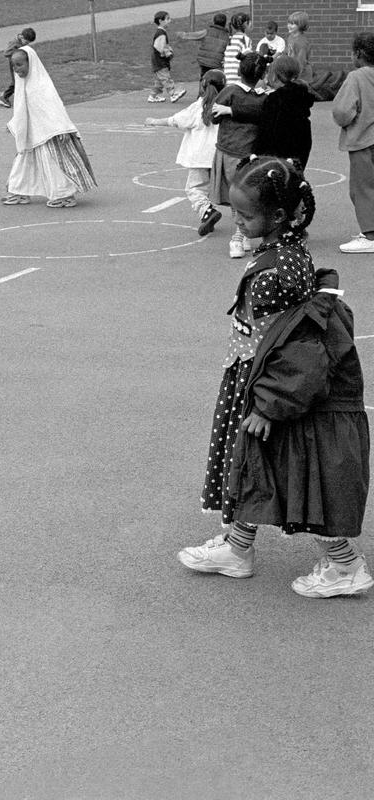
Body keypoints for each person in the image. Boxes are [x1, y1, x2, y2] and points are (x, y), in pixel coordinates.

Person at [179, 155, 372, 598]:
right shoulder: (285, 253)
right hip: (260, 379)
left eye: (246, 215)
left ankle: (345, 563)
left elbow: (299, 346)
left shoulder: (275, 272)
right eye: (234, 212)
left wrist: (268, 404)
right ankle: (237, 547)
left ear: (280, 216)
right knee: (253, 464)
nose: (238, 222)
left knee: (293, 473)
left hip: (276, 389)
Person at [1, 46, 97, 208]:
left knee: (53, 164)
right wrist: (15, 124)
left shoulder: (41, 84)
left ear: (30, 63)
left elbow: (54, 107)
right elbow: (22, 108)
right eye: (14, 66)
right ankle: (19, 191)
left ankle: (64, 195)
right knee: (24, 161)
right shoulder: (22, 83)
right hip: (31, 133)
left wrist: (61, 128)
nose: (17, 69)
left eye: (20, 65)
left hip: (49, 133)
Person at [145, 70, 226, 236]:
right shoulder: (226, 106)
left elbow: (177, 120)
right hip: (220, 156)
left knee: (194, 189)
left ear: (203, 85)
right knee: (221, 188)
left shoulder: (198, 106)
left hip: (200, 158)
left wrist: (155, 121)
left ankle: (207, 211)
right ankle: (218, 217)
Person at [210, 51, 268, 258]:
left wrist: (230, 111)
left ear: (238, 70)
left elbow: (213, 117)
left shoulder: (230, 92)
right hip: (248, 153)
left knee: (237, 198)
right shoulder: (263, 97)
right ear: (262, 73)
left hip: (230, 151)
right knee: (243, 196)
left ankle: (238, 235)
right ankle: (242, 235)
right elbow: (261, 115)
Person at [333, 32, 374, 254]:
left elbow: (342, 111)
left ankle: (370, 235)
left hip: (364, 141)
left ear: (358, 54)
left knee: (362, 189)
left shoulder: (356, 77)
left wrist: (347, 121)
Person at [254, 56, 314, 169]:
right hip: (299, 152)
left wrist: (256, 154)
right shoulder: (302, 95)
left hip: (277, 156)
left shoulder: (275, 99)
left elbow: (265, 132)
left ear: (276, 76)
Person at [148, 11, 187, 103]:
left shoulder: (161, 32)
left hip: (157, 61)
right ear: (161, 21)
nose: (170, 21)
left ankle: (152, 96)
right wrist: (167, 52)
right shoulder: (161, 33)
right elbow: (159, 46)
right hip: (160, 61)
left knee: (159, 81)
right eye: (168, 19)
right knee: (166, 78)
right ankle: (173, 94)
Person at [0, 27, 36, 108]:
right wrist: (17, 52)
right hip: (14, 64)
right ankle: (4, 97)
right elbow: (6, 53)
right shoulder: (14, 43)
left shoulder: (21, 43)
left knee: (21, 81)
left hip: (20, 63)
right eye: (26, 41)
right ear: (21, 37)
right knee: (16, 82)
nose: (26, 44)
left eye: (28, 43)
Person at [196, 13, 229, 81]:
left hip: (203, 61)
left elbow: (195, 35)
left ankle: (202, 89)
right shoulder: (226, 36)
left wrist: (183, 35)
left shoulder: (207, 31)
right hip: (217, 63)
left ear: (214, 21)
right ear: (225, 23)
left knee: (203, 77)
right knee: (216, 79)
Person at [223, 13, 254, 85]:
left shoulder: (230, 39)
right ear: (246, 24)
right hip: (239, 78)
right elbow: (248, 58)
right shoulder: (245, 39)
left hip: (227, 77)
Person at [284, 12, 313, 86]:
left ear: (300, 25)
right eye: (288, 23)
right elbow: (288, 53)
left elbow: (301, 62)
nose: (289, 26)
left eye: (292, 24)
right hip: (293, 71)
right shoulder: (290, 37)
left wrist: (294, 77)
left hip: (302, 75)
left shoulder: (301, 42)